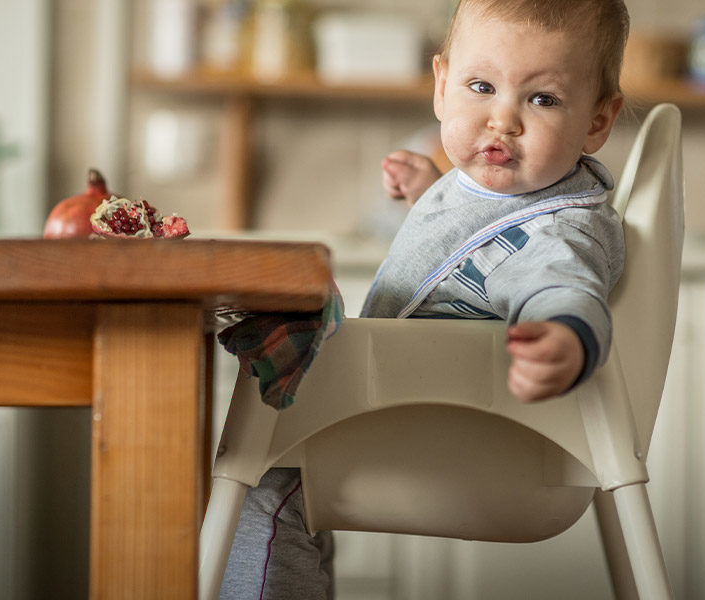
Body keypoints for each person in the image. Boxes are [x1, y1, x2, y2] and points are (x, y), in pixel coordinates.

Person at [218, 0, 629, 597]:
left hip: (458, 440)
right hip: (410, 413)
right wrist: (428, 197)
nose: (502, 120)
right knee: (285, 477)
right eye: (481, 86)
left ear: (597, 121)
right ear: (442, 87)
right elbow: (471, 262)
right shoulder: (505, 198)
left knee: (257, 489)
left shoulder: (561, 228)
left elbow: (559, 280)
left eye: (542, 99)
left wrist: (565, 336)